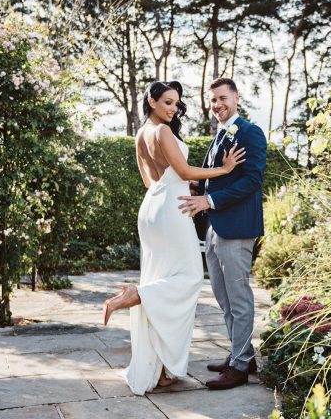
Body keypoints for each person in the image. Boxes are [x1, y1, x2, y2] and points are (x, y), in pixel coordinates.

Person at [101, 80, 246, 395]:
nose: (174, 108)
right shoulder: (163, 132)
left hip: (153, 206)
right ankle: (135, 295)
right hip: (172, 211)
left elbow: (150, 180)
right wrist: (224, 170)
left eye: (176, 104)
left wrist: (181, 187)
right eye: (167, 102)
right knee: (190, 278)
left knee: (163, 278)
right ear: (152, 101)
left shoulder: (141, 134)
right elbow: (184, 171)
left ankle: (162, 371)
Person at [178, 77, 267, 390]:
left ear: (236, 98)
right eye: (213, 100)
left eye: (222, 98)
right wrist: (198, 188)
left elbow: (252, 180)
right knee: (223, 296)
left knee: (239, 299)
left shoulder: (250, 132)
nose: (217, 104)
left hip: (238, 228)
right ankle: (241, 354)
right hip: (215, 227)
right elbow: (219, 178)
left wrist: (208, 200)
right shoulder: (219, 135)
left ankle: (240, 368)